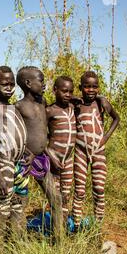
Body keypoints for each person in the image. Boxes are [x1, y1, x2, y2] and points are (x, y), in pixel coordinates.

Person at [15, 66, 64, 241]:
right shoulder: (19, 107)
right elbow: (16, 135)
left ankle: (59, 240)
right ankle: (18, 242)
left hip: (41, 158)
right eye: (41, 80)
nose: (44, 84)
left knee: (56, 198)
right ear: (28, 83)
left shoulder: (42, 102)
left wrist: (49, 153)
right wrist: (29, 153)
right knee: (20, 202)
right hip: (25, 160)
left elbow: (44, 132)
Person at [0, 66, 30, 238]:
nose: (9, 88)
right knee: (3, 206)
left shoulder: (14, 108)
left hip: (20, 164)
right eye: (5, 84)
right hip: (5, 162)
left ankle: (16, 244)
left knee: (18, 205)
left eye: (12, 84)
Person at [72, 71, 119, 230]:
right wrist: (73, 99)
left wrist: (105, 137)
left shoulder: (101, 103)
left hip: (98, 151)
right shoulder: (76, 105)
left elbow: (116, 118)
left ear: (98, 88)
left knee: (99, 189)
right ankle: (76, 227)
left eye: (94, 87)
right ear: (80, 87)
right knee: (79, 190)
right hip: (80, 152)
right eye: (87, 87)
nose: (91, 90)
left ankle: (97, 227)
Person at [45, 76, 77, 220]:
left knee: (66, 193)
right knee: (55, 195)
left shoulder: (73, 107)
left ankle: (63, 223)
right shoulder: (50, 111)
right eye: (64, 91)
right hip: (53, 160)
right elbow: (40, 137)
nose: (68, 95)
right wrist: (50, 156)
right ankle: (54, 225)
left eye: (71, 91)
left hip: (68, 159)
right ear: (55, 90)